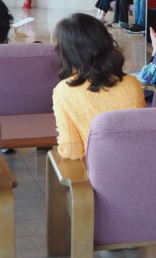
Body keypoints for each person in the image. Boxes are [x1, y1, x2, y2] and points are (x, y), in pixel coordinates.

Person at [51, 13, 145, 159]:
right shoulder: (132, 84)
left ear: (67, 52)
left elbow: (72, 151)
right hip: (136, 165)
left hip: (95, 169)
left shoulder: (63, 91)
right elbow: (139, 138)